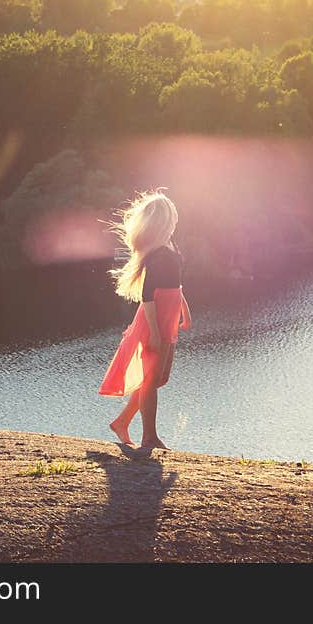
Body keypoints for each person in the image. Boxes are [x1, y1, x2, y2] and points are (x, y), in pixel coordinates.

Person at [98, 190, 192, 453]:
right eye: (171, 216)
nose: (175, 220)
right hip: (155, 321)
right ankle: (149, 438)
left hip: (169, 319)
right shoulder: (158, 254)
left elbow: (175, 285)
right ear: (164, 220)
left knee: (160, 378)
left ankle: (121, 421)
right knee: (152, 380)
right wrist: (153, 332)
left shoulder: (170, 247)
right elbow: (148, 295)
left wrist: (185, 309)